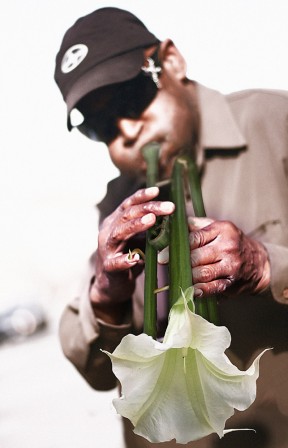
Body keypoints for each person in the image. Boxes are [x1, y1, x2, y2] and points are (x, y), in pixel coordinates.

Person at [54, 6, 288, 448]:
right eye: (99, 125)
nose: (124, 128)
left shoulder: (275, 122)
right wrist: (106, 296)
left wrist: (266, 265)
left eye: (129, 96)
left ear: (172, 62)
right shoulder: (116, 205)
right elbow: (97, 368)